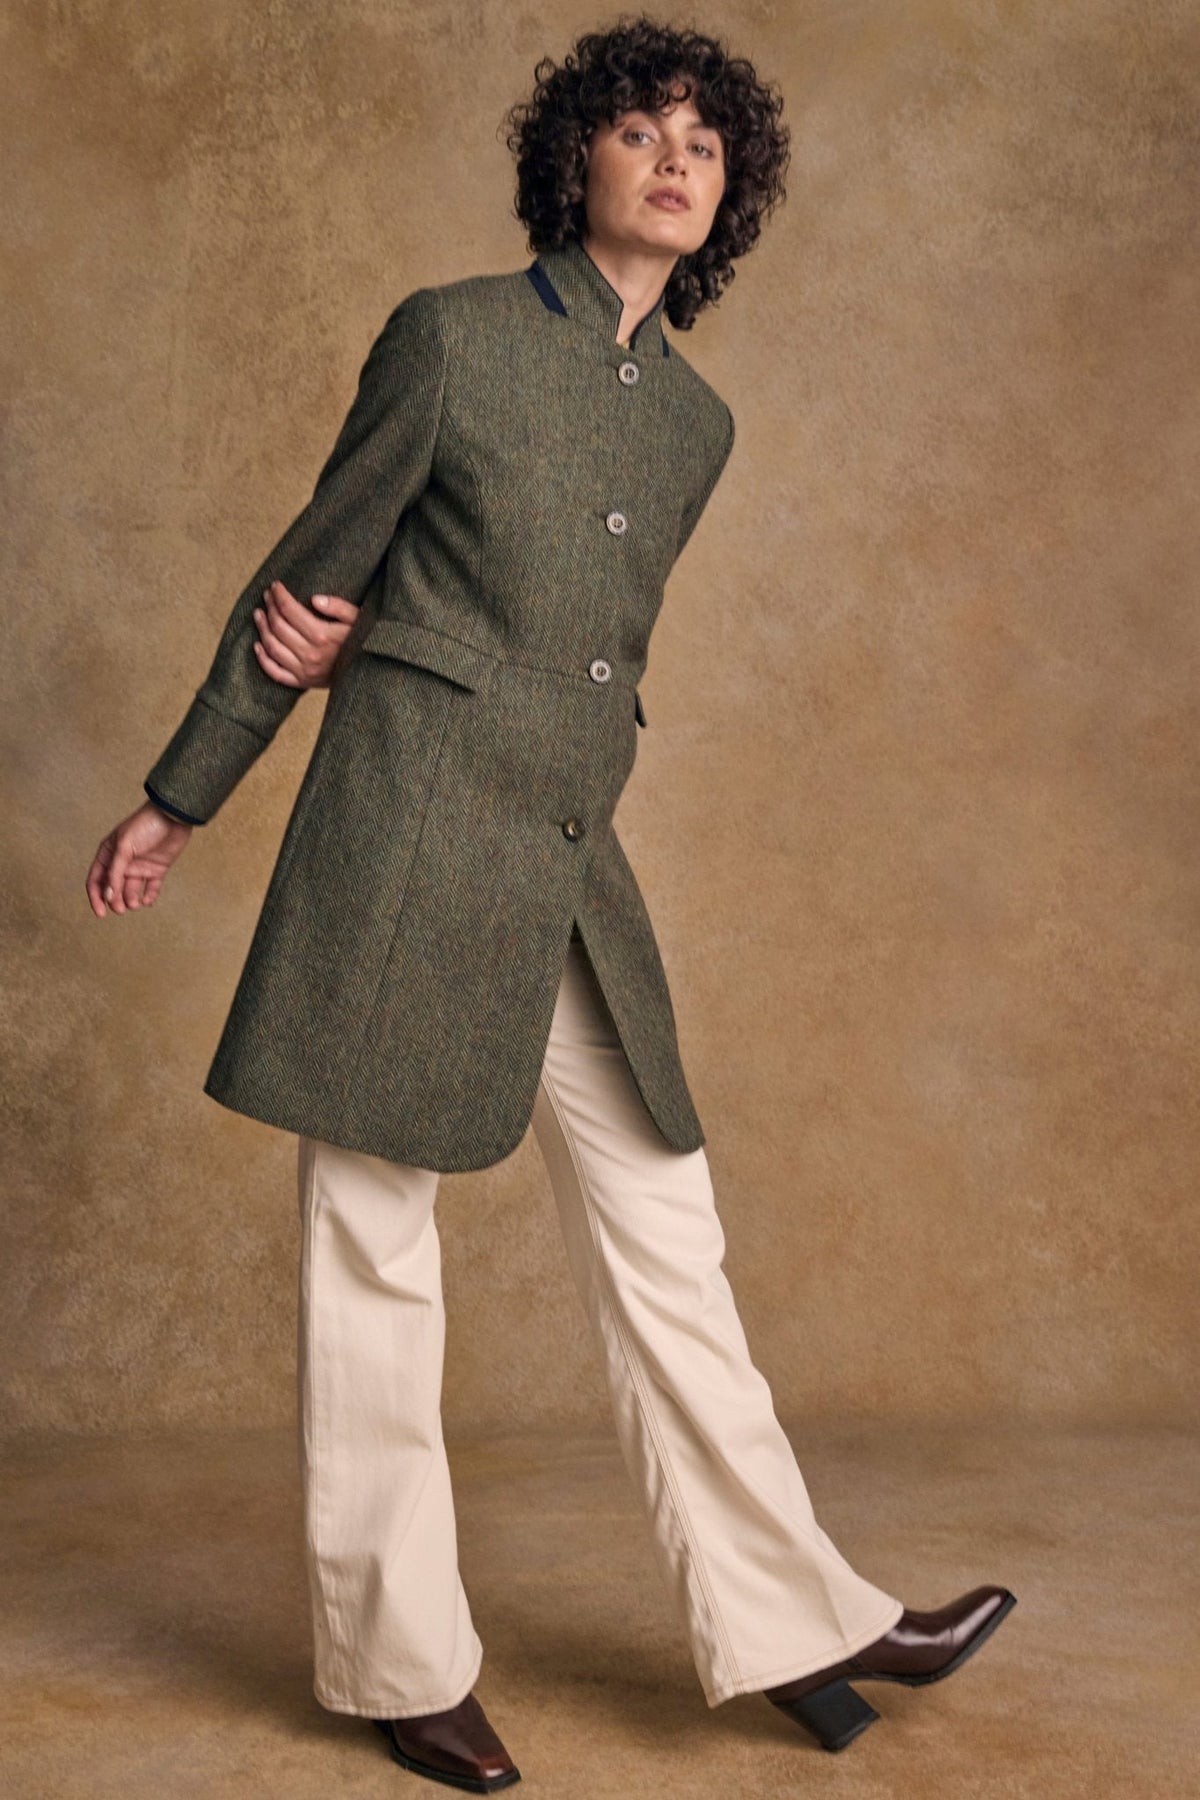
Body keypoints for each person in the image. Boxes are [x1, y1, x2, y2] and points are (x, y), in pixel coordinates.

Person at [85, 17, 1014, 1794]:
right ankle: (399, 1661)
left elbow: (585, 645)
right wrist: (182, 794)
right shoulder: (448, 338)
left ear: (730, 197)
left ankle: (799, 1622)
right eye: (640, 130)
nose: (675, 160)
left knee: (668, 1219)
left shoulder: (700, 427)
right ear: (572, 158)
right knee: (373, 1241)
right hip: (407, 831)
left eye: (706, 145)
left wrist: (416, 644)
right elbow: (314, 570)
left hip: (567, 851)